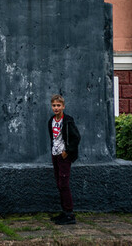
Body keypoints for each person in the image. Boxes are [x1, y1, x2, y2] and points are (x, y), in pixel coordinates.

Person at [48, 94, 81, 225]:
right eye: (54, 105)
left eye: (58, 105)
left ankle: (70, 214)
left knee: (64, 184)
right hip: (55, 154)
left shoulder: (67, 120)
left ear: (63, 106)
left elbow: (76, 137)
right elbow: (54, 138)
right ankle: (64, 212)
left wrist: (67, 151)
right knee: (59, 183)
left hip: (64, 156)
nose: (56, 108)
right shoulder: (51, 121)